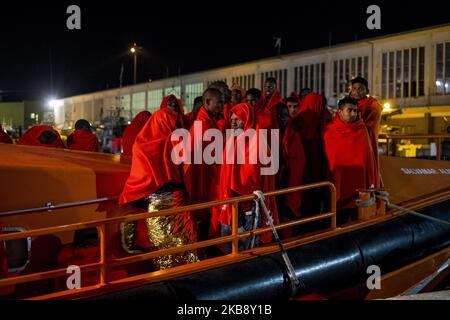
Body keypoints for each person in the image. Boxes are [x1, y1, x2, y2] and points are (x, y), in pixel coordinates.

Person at [119, 94, 196, 269]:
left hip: (160, 200)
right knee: (182, 243)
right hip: (175, 199)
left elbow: (140, 179)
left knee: (167, 248)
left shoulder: (142, 145)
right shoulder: (173, 141)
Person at [213, 103, 279, 252]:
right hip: (229, 207)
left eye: (238, 119)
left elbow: (259, 177)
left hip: (249, 208)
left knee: (247, 252)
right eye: (232, 119)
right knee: (229, 252)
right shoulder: (231, 141)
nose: (234, 122)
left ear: (248, 119)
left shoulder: (259, 143)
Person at [323, 96, 376, 224]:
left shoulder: (361, 130)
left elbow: (369, 161)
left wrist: (371, 185)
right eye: (350, 110)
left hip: (359, 191)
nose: (354, 114)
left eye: (356, 111)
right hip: (337, 189)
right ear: (339, 111)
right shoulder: (330, 131)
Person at [183, 88, 225, 249]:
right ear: (207, 102)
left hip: (204, 187)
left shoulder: (206, 122)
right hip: (204, 189)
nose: (222, 105)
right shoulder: (204, 126)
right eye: (219, 101)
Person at [349, 76, 382, 187]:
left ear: (367, 91)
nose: (357, 91)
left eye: (360, 89)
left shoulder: (372, 105)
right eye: (354, 89)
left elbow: (355, 120)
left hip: (366, 144)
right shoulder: (352, 104)